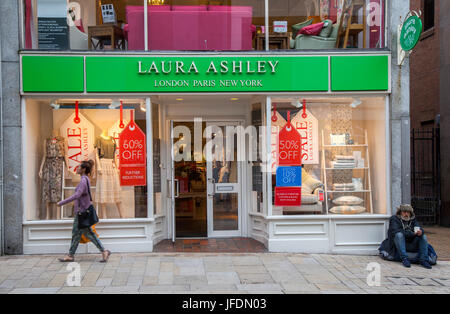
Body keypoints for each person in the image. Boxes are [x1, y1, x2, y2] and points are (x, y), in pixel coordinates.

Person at [57, 160, 111, 263]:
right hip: (82, 212)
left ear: (84, 169)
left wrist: (61, 203)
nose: (77, 169)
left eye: (79, 167)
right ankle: (71, 255)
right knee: (77, 234)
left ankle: (103, 251)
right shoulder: (85, 179)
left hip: (82, 212)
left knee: (87, 234)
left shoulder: (83, 181)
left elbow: (77, 195)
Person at [379, 204, 432, 269]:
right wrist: (412, 233)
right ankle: (404, 259)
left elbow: (419, 227)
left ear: (410, 213)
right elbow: (395, 231)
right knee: (399, 235)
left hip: (411, 243)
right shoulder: (394, 219)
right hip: (398, 244)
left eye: (408, 212)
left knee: (423, 236)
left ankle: (423, 260)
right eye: (404, 212)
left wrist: (420, 232)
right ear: (400, 212)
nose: (406, 214)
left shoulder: (413, 219)